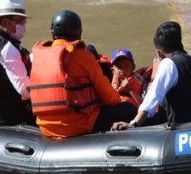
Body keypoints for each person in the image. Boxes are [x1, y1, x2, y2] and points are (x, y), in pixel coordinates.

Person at [28, 10, 136, 138]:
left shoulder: (37, 57)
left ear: (52, 32)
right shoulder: (83, 56)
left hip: (45, 127)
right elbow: (110, 98)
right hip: (77, 126)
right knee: (129, 109)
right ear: (78, 33)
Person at [112, 21, 191, 131]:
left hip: (184, 130)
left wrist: (134, 124)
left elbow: (152, 99)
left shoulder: (168, 63)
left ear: (159, 53)